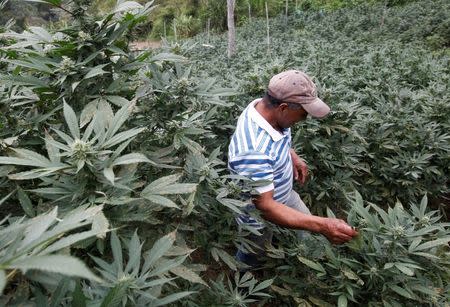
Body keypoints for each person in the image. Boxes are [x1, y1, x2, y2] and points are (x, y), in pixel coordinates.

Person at [228, 70, 358, 267]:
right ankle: (242, 279)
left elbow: (275, 136)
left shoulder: (262, 108)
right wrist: (324, 225)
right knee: (255, 252)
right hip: (258, 218)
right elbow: (266, 207)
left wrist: (292, 155)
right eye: (303, 113)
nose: (304, 118)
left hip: (284, 194)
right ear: (283, 107)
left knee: (308, 233)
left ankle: (317, 262)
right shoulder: (253, 151)